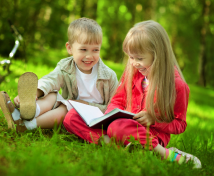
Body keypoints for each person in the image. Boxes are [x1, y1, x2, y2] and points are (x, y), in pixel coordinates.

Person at [63, 20, 202, 168]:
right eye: (131, 57)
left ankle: (164, 153)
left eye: (140, 58)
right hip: (118, 126)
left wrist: (153, 120)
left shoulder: (177, 86)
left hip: (148, 135)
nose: (134, 63)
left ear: (158, 55)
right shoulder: (133, 72)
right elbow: (117, 100)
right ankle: (122, 147)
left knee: (118, 127)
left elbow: (180, 124)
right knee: (71, 117)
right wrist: (107, 117)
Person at [0, 17, 119, 133]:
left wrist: (86, 105)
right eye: (83, 50)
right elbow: (50, 80)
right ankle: (28, 111)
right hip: (69, 105)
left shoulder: (109, 76)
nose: (89, 56)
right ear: (70, 48)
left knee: (65, 107)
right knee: (52, 94)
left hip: (89, 118)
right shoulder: (66, 66)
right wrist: (34, 93)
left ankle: (26, 126)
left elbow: (114, 106)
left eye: (95, 50)